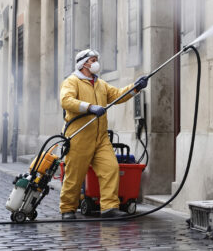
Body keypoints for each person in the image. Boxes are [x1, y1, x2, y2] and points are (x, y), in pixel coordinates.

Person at [59, 49, 148, 219]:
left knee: (111, 168)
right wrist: (90, 107)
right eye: (93, 60)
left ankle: (109, 207)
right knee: (74, 175)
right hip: (79, 137)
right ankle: (67, 208)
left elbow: (117, 95)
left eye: (95, 59)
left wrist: (135, 88)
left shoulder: (100, 84)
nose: (96, 63)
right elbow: (66, 100)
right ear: (84, 63)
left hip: (100, 138)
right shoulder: (72, 81)